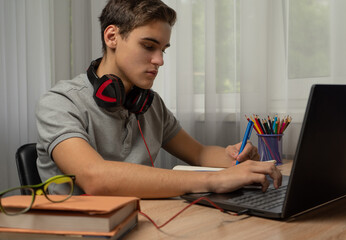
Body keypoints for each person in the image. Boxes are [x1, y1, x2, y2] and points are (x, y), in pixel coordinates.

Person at [36, 0, 282, 198]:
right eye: (148, 46)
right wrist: (215, 179)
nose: (159, 60)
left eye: (163, 50)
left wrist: (238, 162)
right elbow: (95, 177)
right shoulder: (60, 103)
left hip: (146, 221)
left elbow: (199, 153)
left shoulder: (150, 103)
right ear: (111, 37)